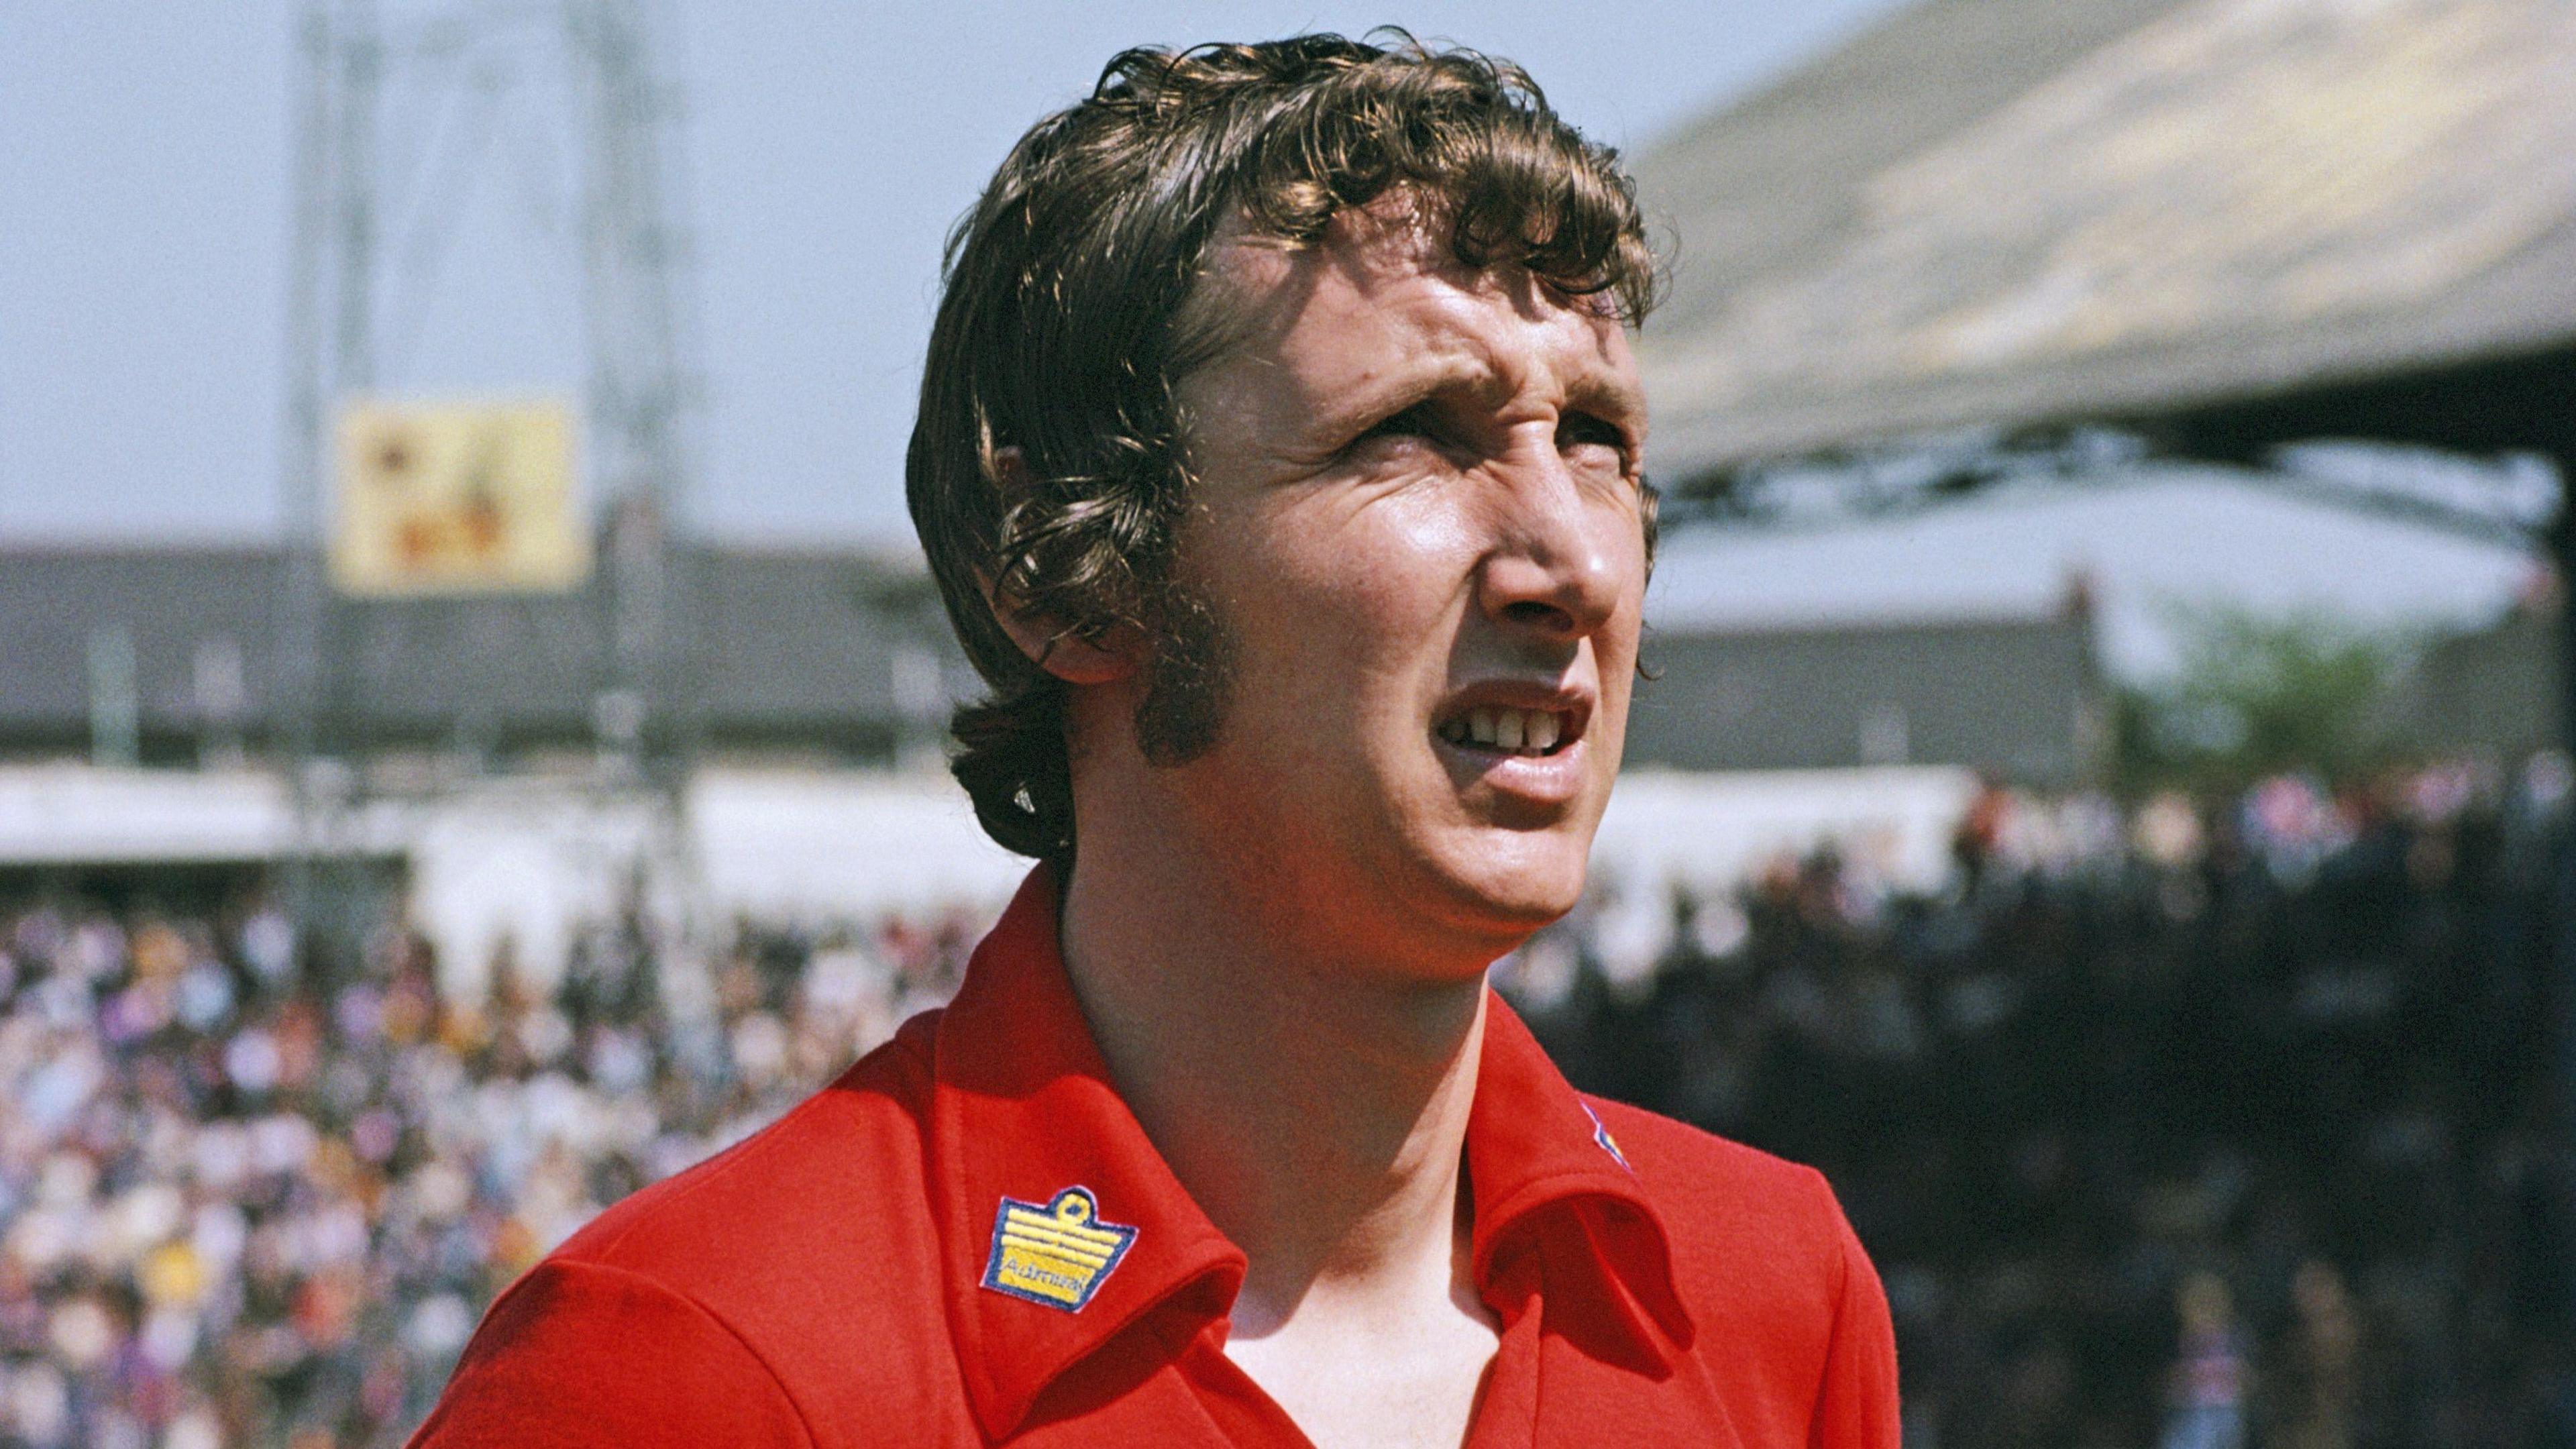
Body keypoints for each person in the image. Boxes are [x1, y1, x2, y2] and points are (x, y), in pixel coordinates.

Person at [409, 33, 1899, 1447]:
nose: (1571, 560)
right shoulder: (689, 1365)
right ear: (1065, 578)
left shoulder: (1773, 1299)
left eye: (1597, 439)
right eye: (1414, 433)